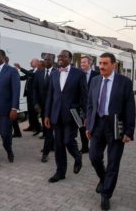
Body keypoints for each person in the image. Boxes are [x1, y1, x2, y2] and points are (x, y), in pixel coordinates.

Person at [86, 52, 135, 210]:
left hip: (115, 125)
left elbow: (130, 107)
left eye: (105, 63)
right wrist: (88, 125)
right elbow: (90, 105)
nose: (101, 66)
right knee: (94, 157)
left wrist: (129, 131)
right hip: (98, 124)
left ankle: (106, 195)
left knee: (113, 162)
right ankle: (104, 178)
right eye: (100, 63)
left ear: (114, 65)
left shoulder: (124, 82)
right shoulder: (95, 80)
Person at [44, 50, 87, 183]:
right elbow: (50, 95)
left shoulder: (79, 74)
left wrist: (85, 115)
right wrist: (46, 115)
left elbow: (84, 96)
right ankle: (60, 172)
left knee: (68, 141)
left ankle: (78, 156)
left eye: (63, 56)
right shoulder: (55, 73)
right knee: (58, 145)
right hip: (56, 114)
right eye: (59, 56)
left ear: (70, 58)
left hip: (71, 115)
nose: (60, 58)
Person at [33, 55, 56, 162]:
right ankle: (51, 146)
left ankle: (46, 153)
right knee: (48, 130)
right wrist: (36, 103)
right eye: (45, 59)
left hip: (54, 107)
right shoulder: (39, 73)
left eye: (48, 59)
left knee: (49, 130)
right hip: (43, 107)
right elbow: (35, 89)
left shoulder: (58, 72)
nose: (46, 61)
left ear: (53, 61)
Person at [14, 59, 42, 135]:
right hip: (28, 94)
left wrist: (20, 68)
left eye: (31, 62)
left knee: (34, 112)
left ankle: (38, 127)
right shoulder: (31, 70)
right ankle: (31, 126)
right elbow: (23, 78)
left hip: (34, 95)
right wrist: (15, 75)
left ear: (36, 63)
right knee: (30, 111)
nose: (30, 62)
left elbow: (30, 74)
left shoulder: (38, 71)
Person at [79, 55, 99, 153]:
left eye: (84, 62)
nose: (82, 64)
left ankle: (95, 146)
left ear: (90, 63)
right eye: (81, 62)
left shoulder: (97, 75)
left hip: (93, 106)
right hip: (81, 107)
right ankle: (85, 147)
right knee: (82, 127)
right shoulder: (78, 74)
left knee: (93, 127)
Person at [5, 56, 22, 138]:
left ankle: (14, 132)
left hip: (10, 98)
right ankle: (17, 132)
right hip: (9, 98)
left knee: (10, 117)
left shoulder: (12, 70)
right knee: (12, 118)